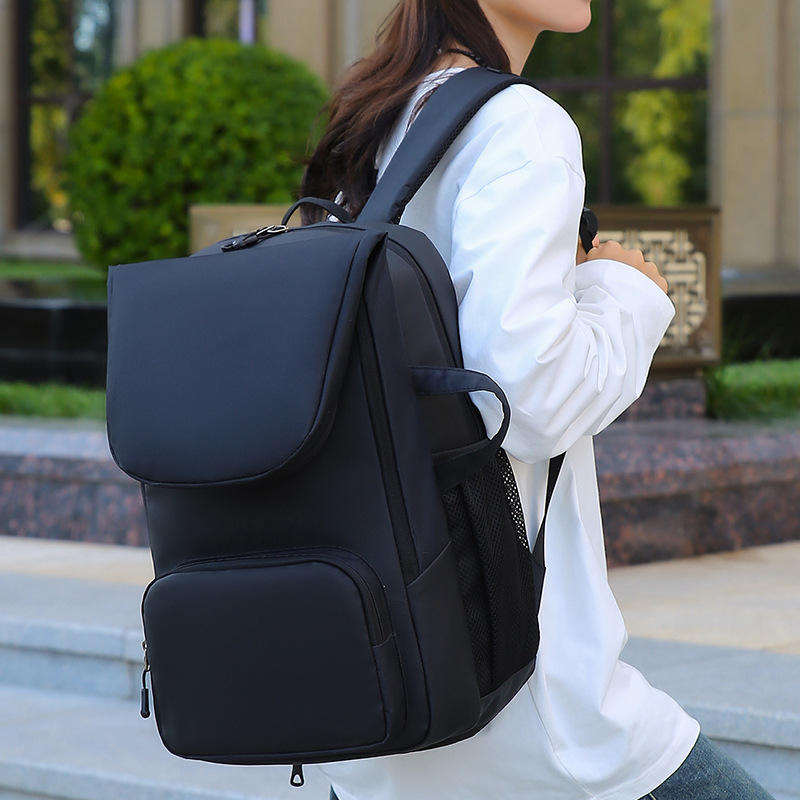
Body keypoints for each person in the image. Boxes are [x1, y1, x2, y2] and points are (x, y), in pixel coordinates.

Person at [301, 2, 776, 798]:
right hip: (528, 704)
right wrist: (627, 290)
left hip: (386, 692)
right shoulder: (518, 125)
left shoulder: (377, 117)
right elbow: (527, 401)